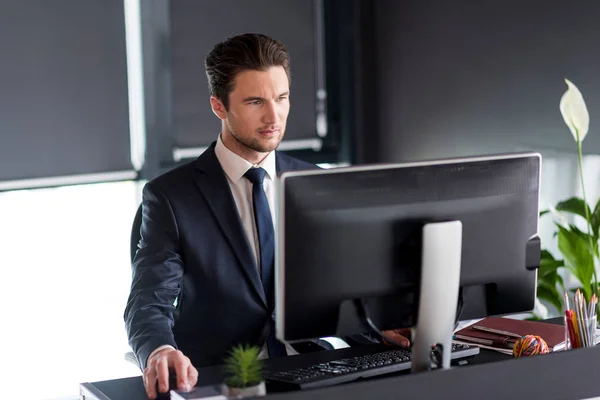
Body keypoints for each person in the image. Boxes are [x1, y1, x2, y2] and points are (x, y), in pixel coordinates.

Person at [124, 33, 410, 399]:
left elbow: (340, 295)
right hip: (221, 376)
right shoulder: (171, 197)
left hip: (310, 369)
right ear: (219, 106)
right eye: (256, 101)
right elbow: (147, 301)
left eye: (281, 98)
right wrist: (160, 350)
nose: (273, 116)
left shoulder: (316, 182)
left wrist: (378, 328)